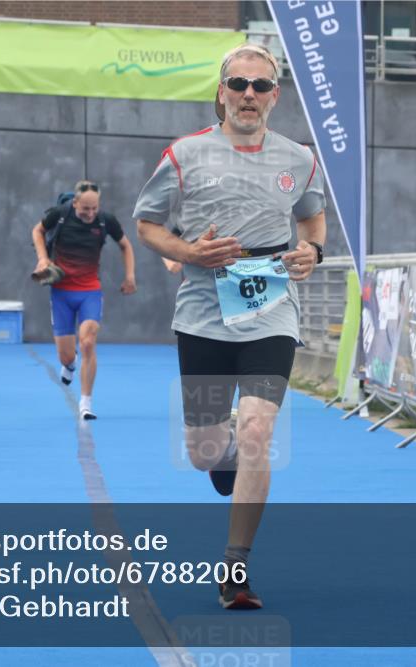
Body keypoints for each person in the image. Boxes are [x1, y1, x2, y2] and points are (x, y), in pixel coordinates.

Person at [133, 43, 326, 610]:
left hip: (271, 306)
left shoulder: (298, 158)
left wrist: (312, 250)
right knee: (205, 453)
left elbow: (312, 219)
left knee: (259, 433)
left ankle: (235, 569)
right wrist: (189, 252)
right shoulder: (184, 154)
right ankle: (229, 442)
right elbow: (147, 225)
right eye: (238, 84)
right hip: (203, 312)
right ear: (221, 92)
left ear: (274, 96)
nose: (248, 94)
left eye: (259, 86)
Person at [31, 180, 136, 420]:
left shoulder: (105, 221)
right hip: (61, 292)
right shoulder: (59, 215)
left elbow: (126, 245)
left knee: (88, 341)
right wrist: (43, 258)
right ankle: (70, 364)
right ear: (75, 203)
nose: (90, 214)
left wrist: (130, 276)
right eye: (85, 208)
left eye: (94, 208)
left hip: (90, 291)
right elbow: (37, 231)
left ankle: (86, 403)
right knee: (66, 356)